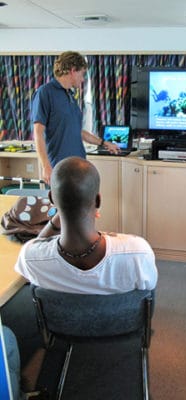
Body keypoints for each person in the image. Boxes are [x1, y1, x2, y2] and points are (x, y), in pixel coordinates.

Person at [14, 157, 158, 294]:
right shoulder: (138, 253)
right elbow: (148, 294)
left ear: (51, 198)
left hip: (59, 321)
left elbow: (38, 244)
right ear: (98, 201)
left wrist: (62, 210)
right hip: (122, 320)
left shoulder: (31, 257)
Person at [31, 51, 120, 185]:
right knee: (63, 205)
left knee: (81, 205)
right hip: (59, 167)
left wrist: (104, 143)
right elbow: (38, 133)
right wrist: (46, 166)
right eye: (82, 73)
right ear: (73, 71)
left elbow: (78, 130)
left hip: (79, 166)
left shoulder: (70, 96)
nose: (83, 79)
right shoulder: (45, 93)